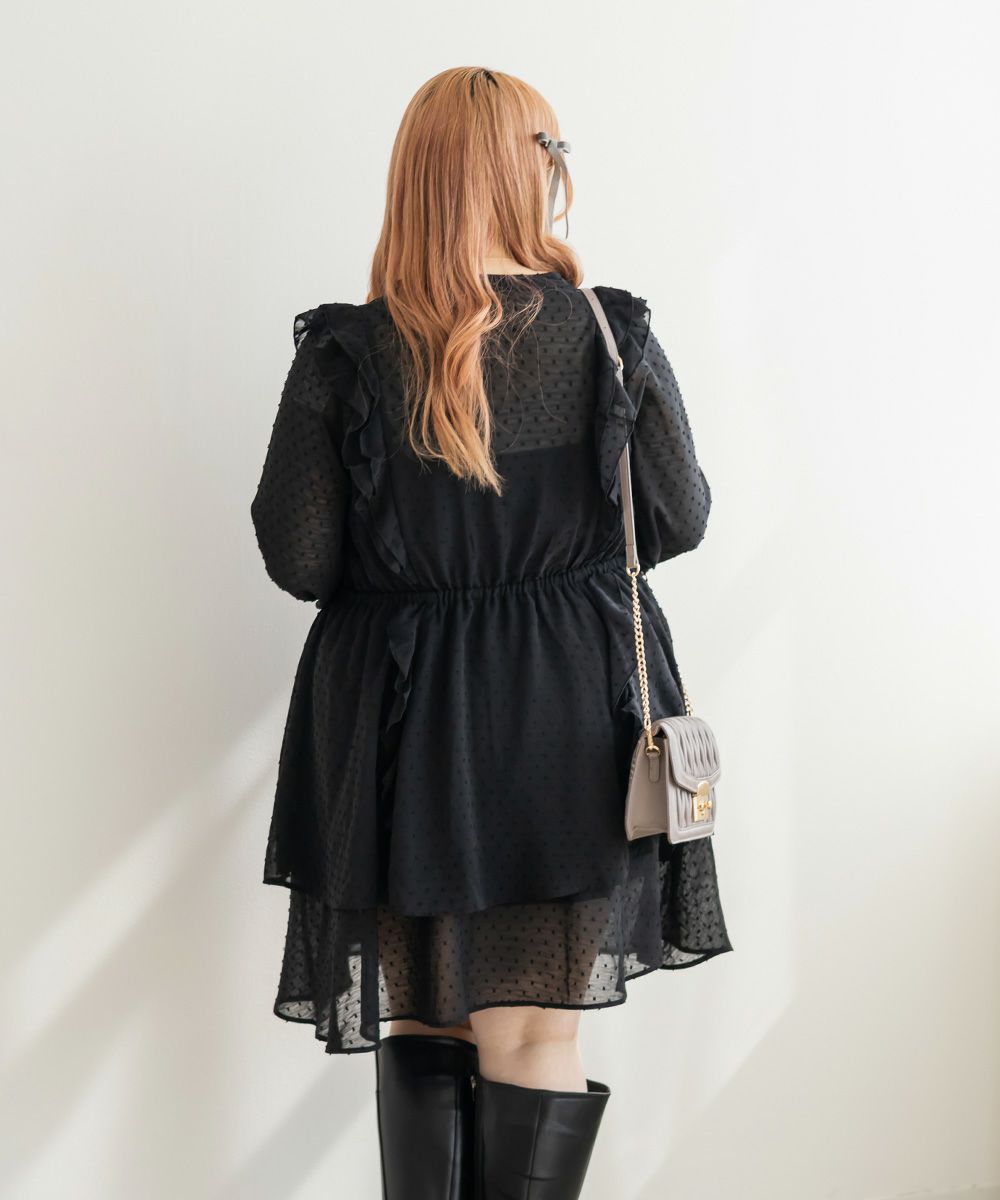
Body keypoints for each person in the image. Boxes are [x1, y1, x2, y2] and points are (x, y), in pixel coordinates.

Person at [250, 65, 733, 1200]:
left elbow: (299, 558)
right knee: (534, 1033)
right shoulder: (609, 335)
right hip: (571, 710)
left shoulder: (349, 354)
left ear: (415, 180)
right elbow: (680, 516)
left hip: (403, 722)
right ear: (534, 175)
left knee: (425, 1018)